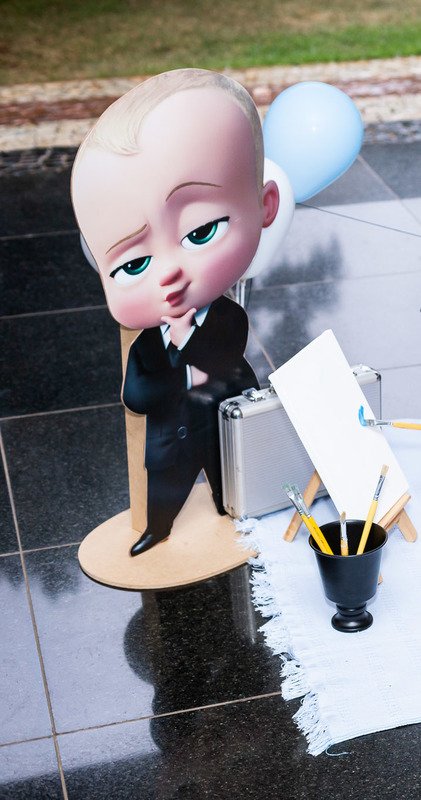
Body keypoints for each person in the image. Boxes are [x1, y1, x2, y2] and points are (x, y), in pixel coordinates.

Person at [72, 69, 280, 555]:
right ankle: (156, 529)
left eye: (201, 231)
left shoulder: (228, 319)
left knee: (235, 483)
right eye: (134, 263)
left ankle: (240, 512)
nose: (168, 273)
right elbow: (137, 395)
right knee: (164, 493)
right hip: (168, 443)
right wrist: (183, 380)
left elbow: (225, 360)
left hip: (227, 427)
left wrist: (187, 351)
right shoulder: (145, 346)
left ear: (264, 205)